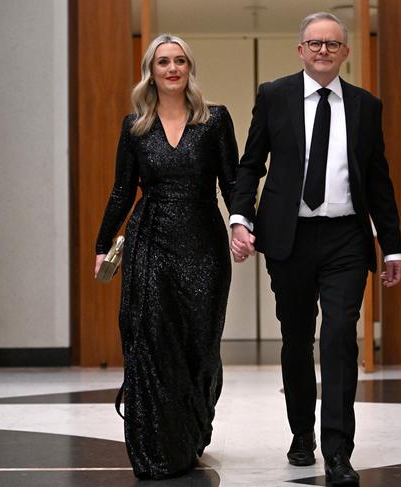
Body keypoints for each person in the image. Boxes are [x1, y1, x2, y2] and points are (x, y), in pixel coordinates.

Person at [229, 12, 401, 486]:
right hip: (290, 237)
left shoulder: (366, 106)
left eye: (332, 44)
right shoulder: (275, 96)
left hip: (347, 237)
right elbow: (250, 165)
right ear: (301, 50)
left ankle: (338, 452)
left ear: (345, 52)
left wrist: (392, 247)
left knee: (340, 337)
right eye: (315, 43)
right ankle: (302, 432)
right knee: (297, 338)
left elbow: (380, 181)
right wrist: (240, 217)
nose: (323, 51)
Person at [94, 34, 238, 479]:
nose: (172, 68)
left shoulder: (214, 120)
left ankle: (191, 432)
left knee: (201, 345)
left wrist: (244, 226)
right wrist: (103, 245)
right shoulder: (134, 125)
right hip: (150, 242)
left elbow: (232, 183)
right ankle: (155, 447)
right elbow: (122, 190)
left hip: (204, 246)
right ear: (150, 71)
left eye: (179, 61)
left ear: (189, 68)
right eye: (163, 62)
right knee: (153, 345)